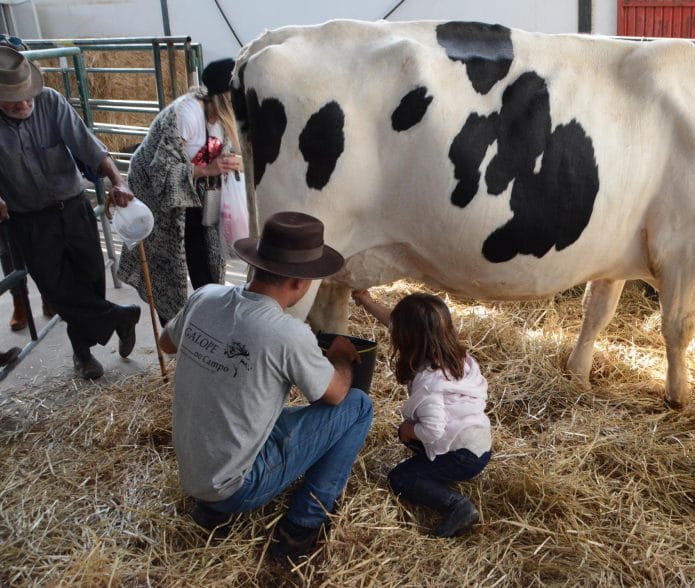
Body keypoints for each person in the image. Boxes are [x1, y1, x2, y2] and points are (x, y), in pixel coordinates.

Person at [159, 211, 373, 563]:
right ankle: (302, 525)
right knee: (359, 406)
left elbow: (166, 343)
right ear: (299, 282)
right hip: (236, 487)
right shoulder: (287, 334)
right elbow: (335, 394)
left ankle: (211, 510)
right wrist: (340, 360)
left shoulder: (205, 296)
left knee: (262, 406)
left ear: (256, 263)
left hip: (195, 474)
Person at [0, 46, 140, 381]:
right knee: (56, 289)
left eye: (27, 96)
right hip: (30, 218)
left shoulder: (50, 101)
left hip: (73, 206)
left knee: (91, 279)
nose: (24, 104)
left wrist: (118, 181)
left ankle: (86, 349)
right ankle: (116, 319)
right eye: (13, 100)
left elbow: (88, 146)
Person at [352, 289, 492, 538]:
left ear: (406, 340)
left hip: (461, 456)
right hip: (479, 445)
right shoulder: (458, 358)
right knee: (413, 433)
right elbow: (395, 323)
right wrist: (367, 301)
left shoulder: (429, 383)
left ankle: (458, 506)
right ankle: (439, 471)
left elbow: (433, 430)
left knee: (400, 478)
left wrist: (407, 429)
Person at [117, 58, 243, 323]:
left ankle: (210, 314)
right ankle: (172, 326)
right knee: (166, 263)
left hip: (191, 189)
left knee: (204, 250)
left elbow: (212, 154)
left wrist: (229, 163)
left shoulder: (220, 119)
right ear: (225, 96)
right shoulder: (187, 114)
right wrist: (209, 169)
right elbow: (162, 171)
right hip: (154, 192)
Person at [0, 35, 54, 331]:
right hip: (6, 195)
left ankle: (48, 294)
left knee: (45, 248)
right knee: (9, 250)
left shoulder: (45, 101)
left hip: (37, 191)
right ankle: (19, 300)